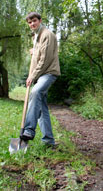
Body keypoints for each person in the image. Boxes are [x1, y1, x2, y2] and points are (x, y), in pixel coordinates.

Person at [20, 12, 60, 146]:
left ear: (40, 20)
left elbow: (45, 60)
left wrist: (33, 76)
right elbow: (39, 55)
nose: (32, 24)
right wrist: (34, 50)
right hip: (41, 74)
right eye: (30, 22)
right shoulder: (37, 37)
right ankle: (48, 140)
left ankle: (29, 130)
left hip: (48, 73)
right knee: (42, 108)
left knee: (35, 92)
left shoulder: (47, 35)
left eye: (34, 21)